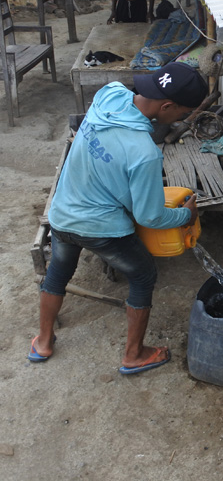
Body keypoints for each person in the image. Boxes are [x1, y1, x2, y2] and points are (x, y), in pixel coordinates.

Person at [29, 62, 208, 375]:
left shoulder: (109, 94)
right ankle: (134, 354)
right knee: (142, 274)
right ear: (167, 106)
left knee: (59, 270)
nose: (181, 119)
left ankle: (43, 342)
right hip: (102, 229)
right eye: (181, 114)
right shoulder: (144, 152)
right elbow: (149, 215)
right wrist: (185, 214)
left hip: (62, 214)